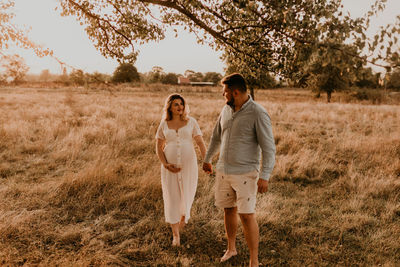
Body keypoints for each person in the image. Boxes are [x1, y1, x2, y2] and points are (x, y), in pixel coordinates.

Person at [202, 73, 276, 267]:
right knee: (228, 210)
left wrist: (265, 176)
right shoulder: (225, 110)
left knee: (246, 215)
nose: (222, 95)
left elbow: (269, 148)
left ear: (235, 92)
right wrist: (208, 158)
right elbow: (215, 137)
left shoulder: (258, 113)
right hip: (224, 171)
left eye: (224, 92)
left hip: (246, 173)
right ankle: (231, 248)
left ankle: (254, 261)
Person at [155, 93, 207, 246]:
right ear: (169, 107)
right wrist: (165, 164)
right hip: (169, 167)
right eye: (176, 104)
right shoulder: (164, 123)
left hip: (188, 165)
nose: (180, 107)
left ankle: (183, 216)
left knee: (187, 193)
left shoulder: (191, 121)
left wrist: (207, 161)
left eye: (181, 104)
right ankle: (175, 235)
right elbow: (158, 146)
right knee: (172, 197)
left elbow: (200, 143)